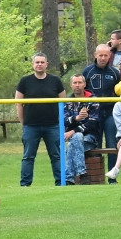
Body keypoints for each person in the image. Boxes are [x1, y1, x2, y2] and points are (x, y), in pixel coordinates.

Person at [15, 53, 66, 187]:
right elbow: (18, 103)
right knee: (28, 157)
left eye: (42, 62)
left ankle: (60, 183)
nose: (39, 64)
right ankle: (25, 185)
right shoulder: (25, 81)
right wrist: (23, 123)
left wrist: (61, 123)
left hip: (53, 126)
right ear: (33, 64)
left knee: (56, 156)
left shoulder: (55, 81)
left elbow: (63, 102)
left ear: (46, 64)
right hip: (31, 126)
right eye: (37, 62)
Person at [83, 44, 121, 170]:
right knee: (96, 144)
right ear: (95, 55)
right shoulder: (87, 71)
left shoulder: (115, 73)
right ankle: (97, 175)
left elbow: (119, 91)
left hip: (110, 113)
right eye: (101, 55)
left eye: (106, 55)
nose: (103, 58)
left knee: (112, 144)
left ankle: (112, 176)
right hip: (93, 115)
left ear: (109, 56)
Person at [62, 74, 100, 185]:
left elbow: (92, 124)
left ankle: (69, 178)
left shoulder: (93, 100)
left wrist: (73, 131)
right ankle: (82, 175)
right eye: (75, 83)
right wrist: (76, 118)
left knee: (71, 144)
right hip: (76, 139)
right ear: (71, 85)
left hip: (90, 138)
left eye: (79, 83)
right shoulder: (67, 101)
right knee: (76, 139)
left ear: (84, 84)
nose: (77, 85)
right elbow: (63, 120)